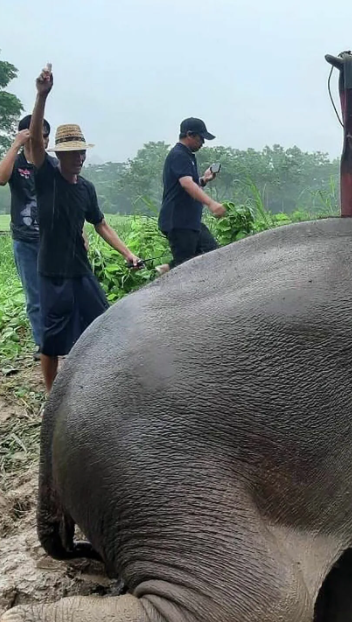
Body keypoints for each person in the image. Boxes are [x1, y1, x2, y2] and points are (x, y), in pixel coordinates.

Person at [24, 64, 142, 392]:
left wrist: (128, 252)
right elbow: (34, 141)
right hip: (52, 272)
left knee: (102, 322)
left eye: (81, 152)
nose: (78, 158)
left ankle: (98, 382)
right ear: (59, 155)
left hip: (79, 269)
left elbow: (100, 223)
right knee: (51, 337)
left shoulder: (86, 188)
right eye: (72, 153)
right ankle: (52, 395)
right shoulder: (46, 177)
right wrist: (41, 95)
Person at [0, 115, 52, 357]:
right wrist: (16, 144)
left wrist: (81, 234)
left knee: (58, 291)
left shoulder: (53, 165)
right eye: (40, 135)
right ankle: (43, 344)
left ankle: (62, 338)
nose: (44, 141)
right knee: (35, 295)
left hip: (52, 240)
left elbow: (68, 202)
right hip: (25, 240)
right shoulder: (15, 164)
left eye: (47, 136)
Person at [156, 118, 226, 275]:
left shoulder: (187, 156)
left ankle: (167, 269)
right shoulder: (179, 155)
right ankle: (167, 273)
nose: (203, 143)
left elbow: (189, 183)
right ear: (189, 135)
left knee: (212, 252)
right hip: (179, 222)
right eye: (201, 138)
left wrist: (204, 179)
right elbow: (186, 184)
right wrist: (211, 204)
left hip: (190, 222)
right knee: (185, 270)